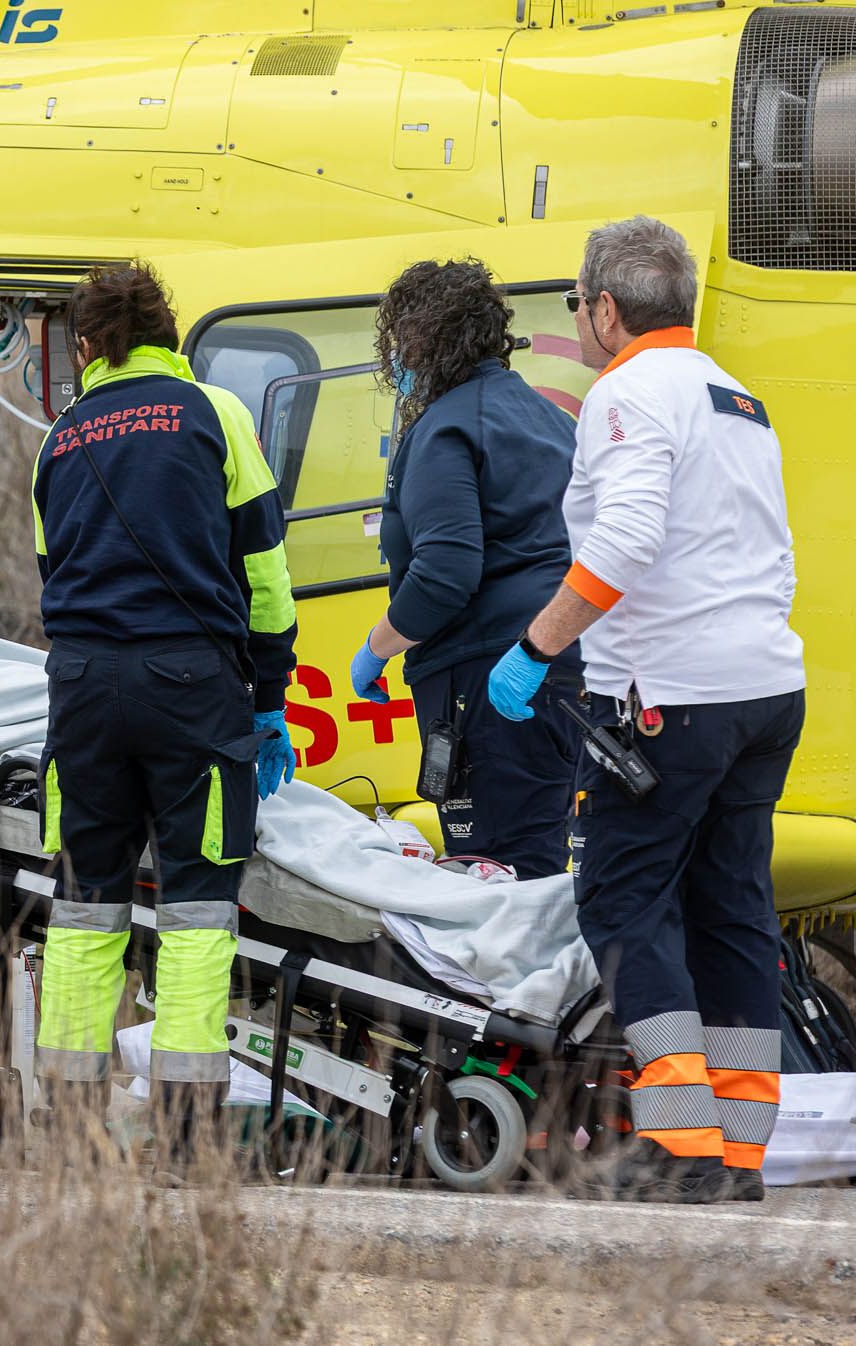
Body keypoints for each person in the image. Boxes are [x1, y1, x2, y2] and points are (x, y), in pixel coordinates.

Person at [487, 216, 805, 1204]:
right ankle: (741, 1152)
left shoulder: (626, 393)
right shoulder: (735, 396)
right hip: (766, 688)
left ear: (607, 310)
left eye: (577, 307)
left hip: (674, 696)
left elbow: (625, 540)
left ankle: (681, 1144)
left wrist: (536, 646)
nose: (578, 323)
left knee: (624, 900)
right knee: (732, 907)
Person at [30, 262, 298, 1181]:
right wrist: (269, 701)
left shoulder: (59, 439)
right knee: (193, 910)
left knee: (83, 906)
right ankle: (186, 1141)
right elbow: (264, 575)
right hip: (192, 688)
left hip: (82, 694)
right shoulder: (215, 417)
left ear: (90, 345)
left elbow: (49, 576)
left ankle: (68, 1131)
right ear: (165, 334)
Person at [349, 259, 581, 877]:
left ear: (421, 341)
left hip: (484, 680)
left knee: (499, 870)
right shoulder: (552, 420)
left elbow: (446, 573)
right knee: (546, 857)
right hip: (559, 666)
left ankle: (513, 977)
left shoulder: (444, 428)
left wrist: (377, 647)